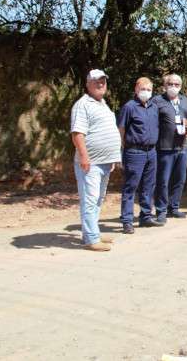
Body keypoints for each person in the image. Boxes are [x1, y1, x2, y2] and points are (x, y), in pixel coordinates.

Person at [70, 69, 122, 251]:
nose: (100, 84)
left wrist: (114, 157)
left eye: (103, 81)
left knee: (98, 200)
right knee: (89, 200)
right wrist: (84, 156)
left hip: (105, 162)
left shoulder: (103, 104)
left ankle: (93, 232)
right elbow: (77, 133)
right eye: (96, 82)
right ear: (88, 85)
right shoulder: (82, 105)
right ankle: (91, 239)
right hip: (91, 163)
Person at [117, 77, 161, 233]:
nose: (146, 92)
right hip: (134, 151)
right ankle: (127, 221)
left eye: (149, 89)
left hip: (151, 151)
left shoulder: (153, 107)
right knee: (131, 186)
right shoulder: (129, 107)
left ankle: (146, 216)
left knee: (149, 185)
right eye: (143, 89)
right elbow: (121, 129)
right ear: (136, 90)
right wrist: (123, 147)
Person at [153, 74, 187, 222]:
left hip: (182, 147)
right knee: (163, 180)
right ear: (165, 85)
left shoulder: (184, 101)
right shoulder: (157, 101)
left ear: (181, 87)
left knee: (180, 179)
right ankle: (160, 210)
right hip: (164, 147)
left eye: (177, 84)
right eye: (170, 84)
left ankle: (174, 208)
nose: (173, 87)